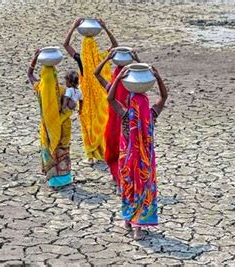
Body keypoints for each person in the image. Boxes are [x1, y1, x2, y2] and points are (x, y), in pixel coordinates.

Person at [107, 65, 168, 240]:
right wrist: (157, 77)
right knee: (143, 190)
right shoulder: (151, 115)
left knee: (128, 190)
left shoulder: (126, 115)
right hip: (145, 163)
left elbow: (110, 98)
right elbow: (164, 96)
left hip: (127, 161)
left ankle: (128, 221)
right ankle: (137, 229)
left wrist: (118, 78)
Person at [63, 18, 118, 165]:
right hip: (100, 96)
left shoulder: (80, 59)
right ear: (95, 47)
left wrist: (74, 26)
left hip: (85, 97)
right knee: (102, 121)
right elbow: (115, 46)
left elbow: (66, 44)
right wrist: (105, 28)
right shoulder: (101, 58)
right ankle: (102, 150)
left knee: (88, 123)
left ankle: (91, 153)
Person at [27, 49, 73, 189]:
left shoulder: (40, 88)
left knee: (50, 152)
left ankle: (53, 181)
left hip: (46, 128)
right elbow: (73, 104)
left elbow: (30, 74)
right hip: (62, 126)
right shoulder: (61, 90)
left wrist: (35, 58)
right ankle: (64, 179)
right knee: (62, 152)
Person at [94, 48, 140, 186]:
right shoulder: (132, 90)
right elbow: (146, 79)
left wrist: (107, 58)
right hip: (128, 124)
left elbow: (96, 73)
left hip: (115, 124)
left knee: (116, 150)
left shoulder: (110, 90)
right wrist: (137, 61)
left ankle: (119, 177)